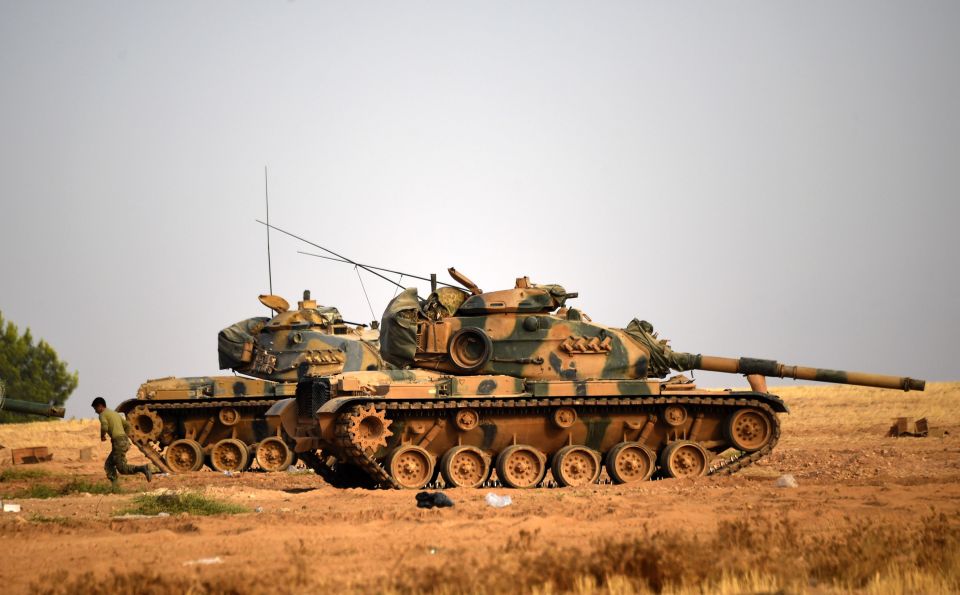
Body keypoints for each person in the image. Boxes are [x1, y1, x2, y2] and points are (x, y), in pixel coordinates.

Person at [91, 397, 151, 488]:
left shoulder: (102, 415)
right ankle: (115, 487)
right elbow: (127, 425)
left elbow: (104, 426)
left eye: (95, 409)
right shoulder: (114, 414)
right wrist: (124, 437)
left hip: (118, 442)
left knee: (122, 468)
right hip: (123, 442)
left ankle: (143, 468)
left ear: (100, 406)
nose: (95, 411)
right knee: (109, 464)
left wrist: (102, 435)